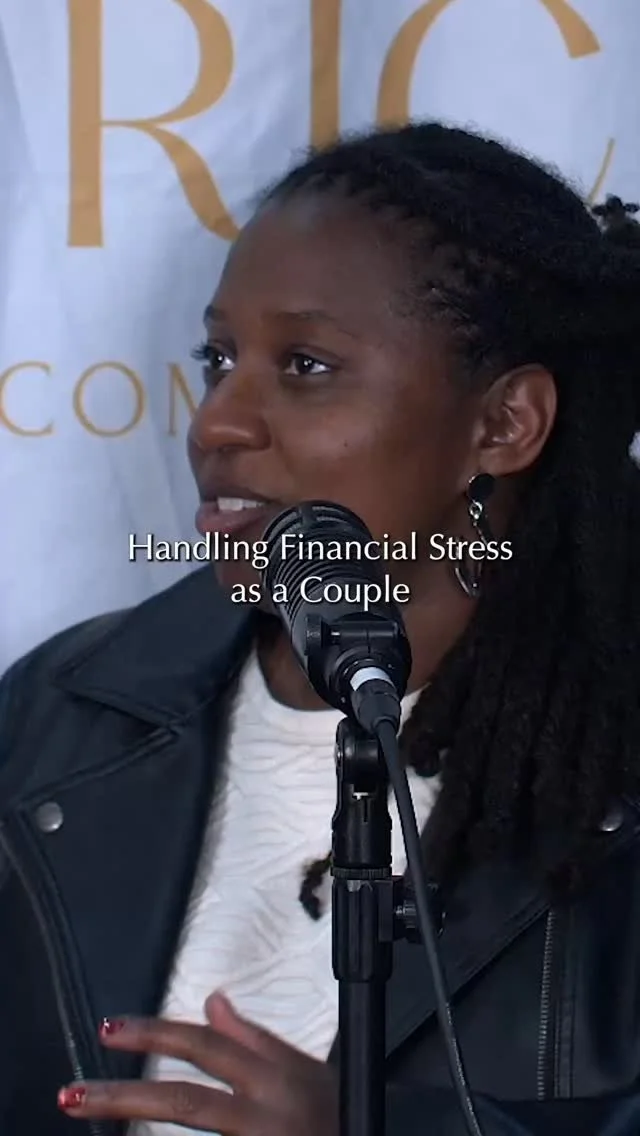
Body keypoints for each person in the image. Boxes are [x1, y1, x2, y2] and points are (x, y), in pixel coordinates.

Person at [2, 120, 640, 1136]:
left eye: (305, 364)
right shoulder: (60, 711)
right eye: (218, 357)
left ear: (504, 423)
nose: (216, 421)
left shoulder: (610, 759)